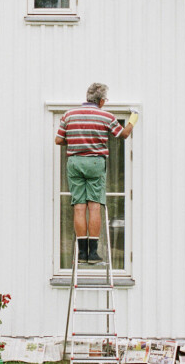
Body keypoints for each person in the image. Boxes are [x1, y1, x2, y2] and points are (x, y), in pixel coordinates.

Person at [55, 83, 138, 263]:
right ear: (101, 100)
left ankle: (81, 253)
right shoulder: (106, 116)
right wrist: (134, 118)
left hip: (75, 162)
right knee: (93, 206)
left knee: (79, 206)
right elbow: (123, 135)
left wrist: (76, 142)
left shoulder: (69, 115)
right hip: (95, 162)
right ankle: (92, 254)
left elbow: (59, 140)